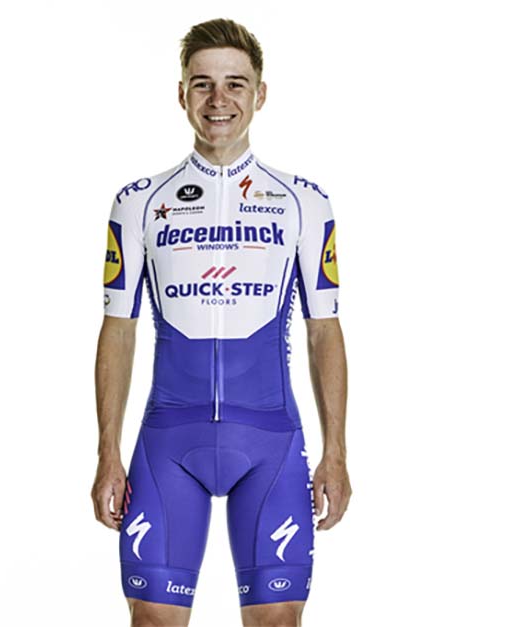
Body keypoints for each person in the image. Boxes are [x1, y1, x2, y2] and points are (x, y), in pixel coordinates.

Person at [92, 18, 351, 627]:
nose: (219, 99)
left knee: (277, 621)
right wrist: (107, 451)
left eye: (235, 84)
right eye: (203, 83)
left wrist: (336, 452)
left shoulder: (304, 202)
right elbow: (118, 328)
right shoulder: (138, 201)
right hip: (167, 444)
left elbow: (324, 329)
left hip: (269, 443)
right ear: (181, 93)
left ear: (260, 94)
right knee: (152, 620)